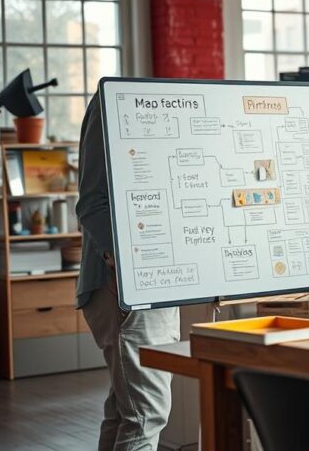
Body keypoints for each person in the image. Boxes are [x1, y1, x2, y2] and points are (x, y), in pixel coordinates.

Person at [76, 92, 180, 451]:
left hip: (155, 282)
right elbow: (91, 204)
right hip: (126, 287)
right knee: (146, 415)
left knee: (125, 411)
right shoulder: (114, 103)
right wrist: (124, 264)